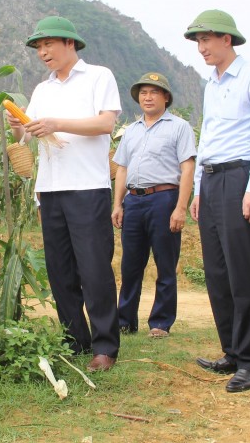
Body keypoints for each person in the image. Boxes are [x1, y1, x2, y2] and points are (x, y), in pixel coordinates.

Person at [7, 16, 121, 372]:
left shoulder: (98, 76)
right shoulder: (43, 90)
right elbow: (26, 139)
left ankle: (105, 346)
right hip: (51, 190)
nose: (42, 52)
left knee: (94, 268)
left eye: (48, 45)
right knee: (60, 272)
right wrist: (18, 128)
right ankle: (75, 341)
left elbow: (106, 123)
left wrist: (57, 123)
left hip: (87, 188)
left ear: (70, 43)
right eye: (38, 47)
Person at [185, 10, 250, 392]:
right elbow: (208, 135)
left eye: (207, 39)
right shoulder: (211, 82)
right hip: (212, 180)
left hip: (241, 177)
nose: (201, 47)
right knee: (217, 273)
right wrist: (198, 190)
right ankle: (232, 352)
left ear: (228, 39)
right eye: (197, 41)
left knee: (243, 272)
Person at [111, 73, 196, 338]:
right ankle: (125, 320)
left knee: (165, 263)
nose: (148, 97)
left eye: (154, 92)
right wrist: (118, 204)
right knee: (130, 265)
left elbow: (187, 168)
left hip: (164, 199)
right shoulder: (131, 131)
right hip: (133, 201)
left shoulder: (179, 127)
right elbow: (122, 170)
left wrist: (181, 208)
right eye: (143, 93)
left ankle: (160, 323)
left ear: (166, 97)